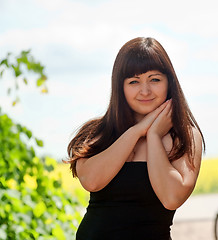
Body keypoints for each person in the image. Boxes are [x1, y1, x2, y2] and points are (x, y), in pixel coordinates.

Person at [66, 37, 205, 240]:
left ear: (169, 82)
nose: (145, 90)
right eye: (134, 82)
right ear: (120, 87)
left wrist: (154, 136)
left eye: (155, 79)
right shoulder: (97, 132)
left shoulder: (185, 136)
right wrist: (136, 131)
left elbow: (171, 198)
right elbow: (91, 181)